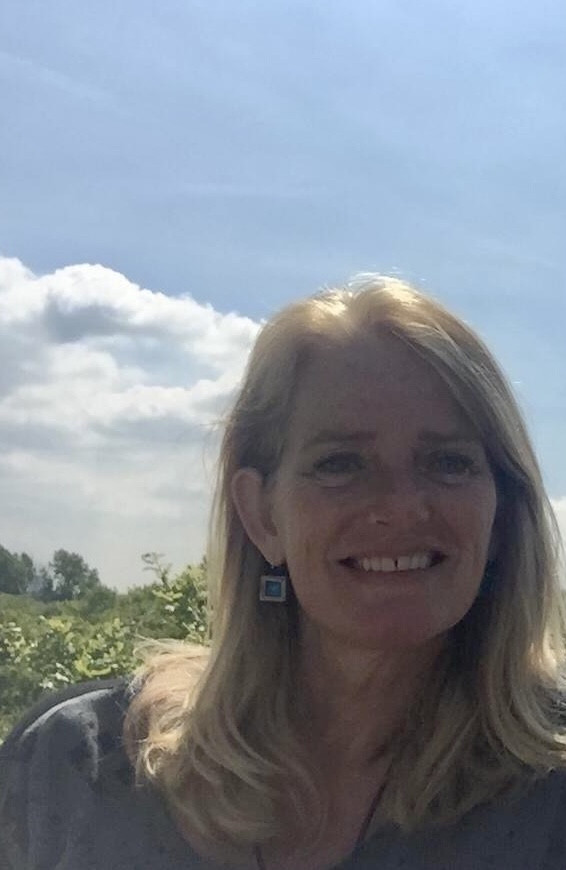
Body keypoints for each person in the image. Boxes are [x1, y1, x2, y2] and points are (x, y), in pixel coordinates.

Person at [1, 274, 566, 870]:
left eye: (448, 462)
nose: (400, 506)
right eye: (340, 463)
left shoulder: (546, 800)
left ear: (502, 515)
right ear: (261, 515)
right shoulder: (72, 773)